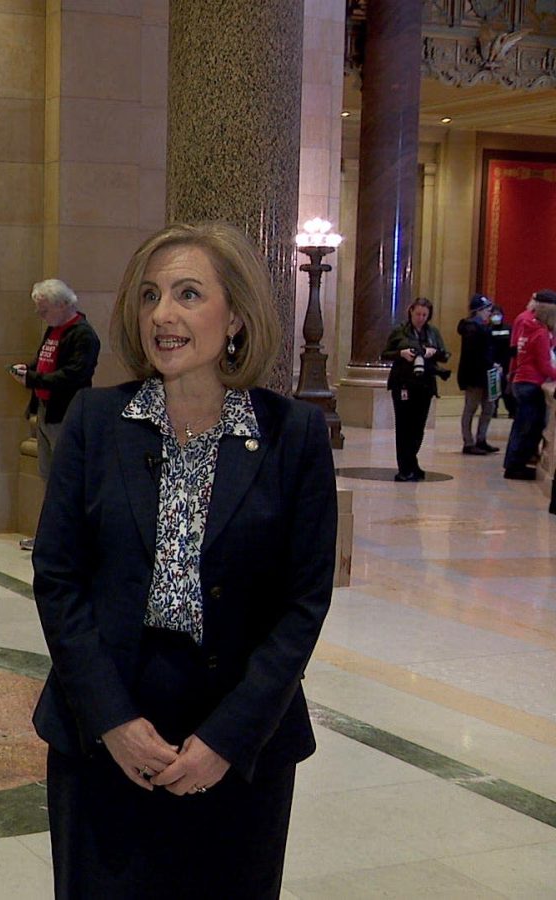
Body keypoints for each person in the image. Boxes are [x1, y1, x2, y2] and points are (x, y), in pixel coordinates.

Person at [31, 221, 336, 899]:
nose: (162, 315)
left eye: (189, 294)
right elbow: (58, 579)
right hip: (104, 734)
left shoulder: (295, 436)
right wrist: (112, 719)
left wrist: (228, 738)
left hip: (239, 744)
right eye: (149, 295)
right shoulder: (95, 421)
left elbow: (303, 603)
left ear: (237, 317)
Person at [10, 278, 100, 551]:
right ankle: (50, 534)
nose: (41, 315)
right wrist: (27, 370)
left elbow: (74, 374)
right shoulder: (53, 330)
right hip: (46, 412)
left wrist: (33, 378)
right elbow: (44, 364)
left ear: (63, 305)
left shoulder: (83, 334)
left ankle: (67, 538)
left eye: (44, 309)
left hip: (66, 414)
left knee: (65, 478)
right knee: (48, 477)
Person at [381, 298, 450, 481]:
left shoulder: (432, 333)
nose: (421, 318)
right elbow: (384, 354)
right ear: (411, 311)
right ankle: (405, 467)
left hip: (425, 384)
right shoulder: (399, 332)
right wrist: (401, 354)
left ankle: (412, 461)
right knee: (404, 426)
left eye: (424, 315)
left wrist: (433, 352)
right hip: (403, 383)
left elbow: (445, 355)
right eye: (418, 314)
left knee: (418, 427)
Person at [504, 290, 556, 481]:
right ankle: (516, 466)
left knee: (521, 426)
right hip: (531, 383)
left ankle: (513, 464)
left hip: (522, 380)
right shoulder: (541, 333)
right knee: (529, 428)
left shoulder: (528, 327)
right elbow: (544, 364)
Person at [456, 294, 498, 455]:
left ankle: (481, 439)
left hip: (486, 374)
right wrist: (491, 364)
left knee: (489, 407)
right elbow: (475, 355)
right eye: (487, 309)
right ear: (478, 311)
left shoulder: (483, 327)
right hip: (474, 375)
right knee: (471, 408)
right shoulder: (471, 328)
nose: (490, 312)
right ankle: (468, 442)